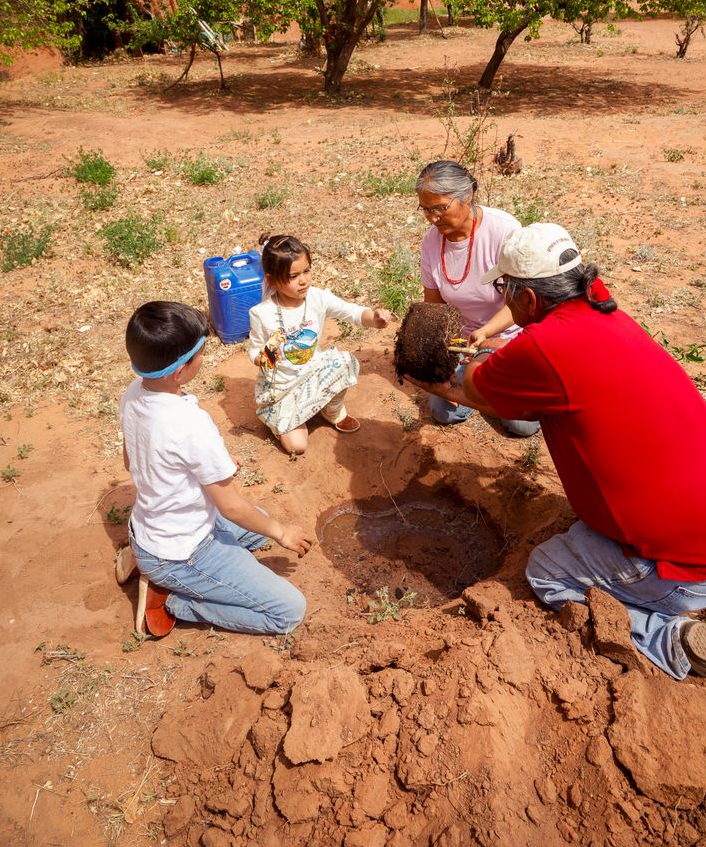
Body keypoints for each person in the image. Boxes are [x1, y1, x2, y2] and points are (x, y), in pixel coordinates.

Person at [410, 222, 706, 684]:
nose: (504, 298)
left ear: (528, 299)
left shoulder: (543, 349)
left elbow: (468, 387)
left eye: (506, 289)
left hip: (684, 559)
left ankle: (674, 636)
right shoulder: (605, 307)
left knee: (546, 571)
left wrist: (430, 373)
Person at [115, 301, 312, 639]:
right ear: (180, 371)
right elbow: (231, 507)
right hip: (182, 553)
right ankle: (176, 602)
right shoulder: (189, 423)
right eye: (200, 353)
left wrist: (206, 466)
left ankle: (142, 557)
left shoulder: (133, 393)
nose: (203, 358)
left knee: (256, 524)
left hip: (154, 526)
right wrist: (282, 533)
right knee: (288, 610)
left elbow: (131, 462)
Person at [414, 159, 538, 437]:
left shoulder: (503, 230)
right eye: (426, 209)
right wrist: (442, 360)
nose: (432, 218)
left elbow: (521, 303)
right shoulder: (431, 242)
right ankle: (482, 386)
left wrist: (486, 332)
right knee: (443, 410)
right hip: (463, 346)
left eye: (440, 208)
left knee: (521, 425)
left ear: (467, 196)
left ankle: (488, 385)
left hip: (509, 337)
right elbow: (434, 307)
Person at [249, 233, 392, 455]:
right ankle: (279, 418)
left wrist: (375, 318)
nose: (303, 280)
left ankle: (331, 410)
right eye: (293, 276)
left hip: (313, 371)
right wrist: (261, 357)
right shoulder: (262, 314)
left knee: (342, 361)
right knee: (297, 446)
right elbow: (255, 350)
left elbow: (352, 312)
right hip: (283, 387)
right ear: (272, 279)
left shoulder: (317, 298)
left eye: (306, 271)